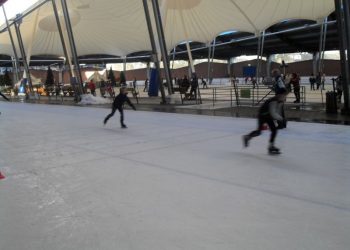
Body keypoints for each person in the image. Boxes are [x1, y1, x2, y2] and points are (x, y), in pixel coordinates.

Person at [242, 88, 288, 155]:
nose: (285, 96)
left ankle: (271, 147)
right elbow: (273, 113)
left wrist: (282, 119)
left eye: (285, 95)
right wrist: (281, 119)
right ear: (279, 95)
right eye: (284, 95)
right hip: (262, 115)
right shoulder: (273, 101)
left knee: (274, 130)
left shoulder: (280, 101)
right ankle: (247, 137)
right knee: (259, 132)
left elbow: (278, 111)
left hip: (268, 116)